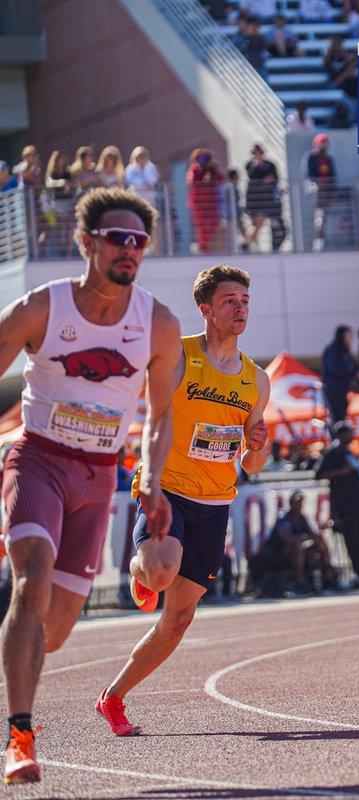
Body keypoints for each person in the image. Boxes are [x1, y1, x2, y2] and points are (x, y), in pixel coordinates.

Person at [0, 188, 181, 782]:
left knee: (52, 633)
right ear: (87, 243)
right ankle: (21, 738)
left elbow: (160, 416)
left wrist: (151, 480)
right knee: (30, 584)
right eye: (117, 239)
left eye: (139, 242)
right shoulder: (42, 309)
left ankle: (15, 657)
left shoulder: (156, 323)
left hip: (101, 475)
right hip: (38, 461)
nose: (129, 250)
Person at [96, 266, 270, 736]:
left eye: (245, 300)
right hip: (169, 488)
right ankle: (141, 573)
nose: (240, 308)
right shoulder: (180, 356)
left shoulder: (257, 379)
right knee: (160, 570)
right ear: (207, 309)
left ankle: (113, 698)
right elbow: (152, 414)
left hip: (215, 504)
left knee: (179, 621)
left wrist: (258, 442)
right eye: (230, 300)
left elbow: (252, 466)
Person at [315, 420, 359, 588]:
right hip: (346, 507)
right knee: (354, 541)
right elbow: (319, 474)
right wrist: (341, 472)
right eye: (349, 432)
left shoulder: (349, 452)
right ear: (340, 434)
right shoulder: (333, 453)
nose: (352, 435)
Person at [260, 490, 335, 594]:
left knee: (320, 543)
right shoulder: (284, 518)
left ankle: (329, 576)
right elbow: (287, 539)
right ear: (291, 503)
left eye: (301, 502)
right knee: (298, 547)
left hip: (297, 552)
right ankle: (299, 582)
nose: (299, 505)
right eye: (297, 502)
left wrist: (317, 537)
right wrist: (302, 538)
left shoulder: (302, 518)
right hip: (277, 554)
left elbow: (311, 535)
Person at [321, 325, 356, 424]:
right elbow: (335, 367)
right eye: (348, 335)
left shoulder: (345, 351)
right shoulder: (333, 349)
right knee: (336, 417)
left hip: (343, 389)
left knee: (343, 415)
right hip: (334, 389)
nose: (350, 338)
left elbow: (353, 367)